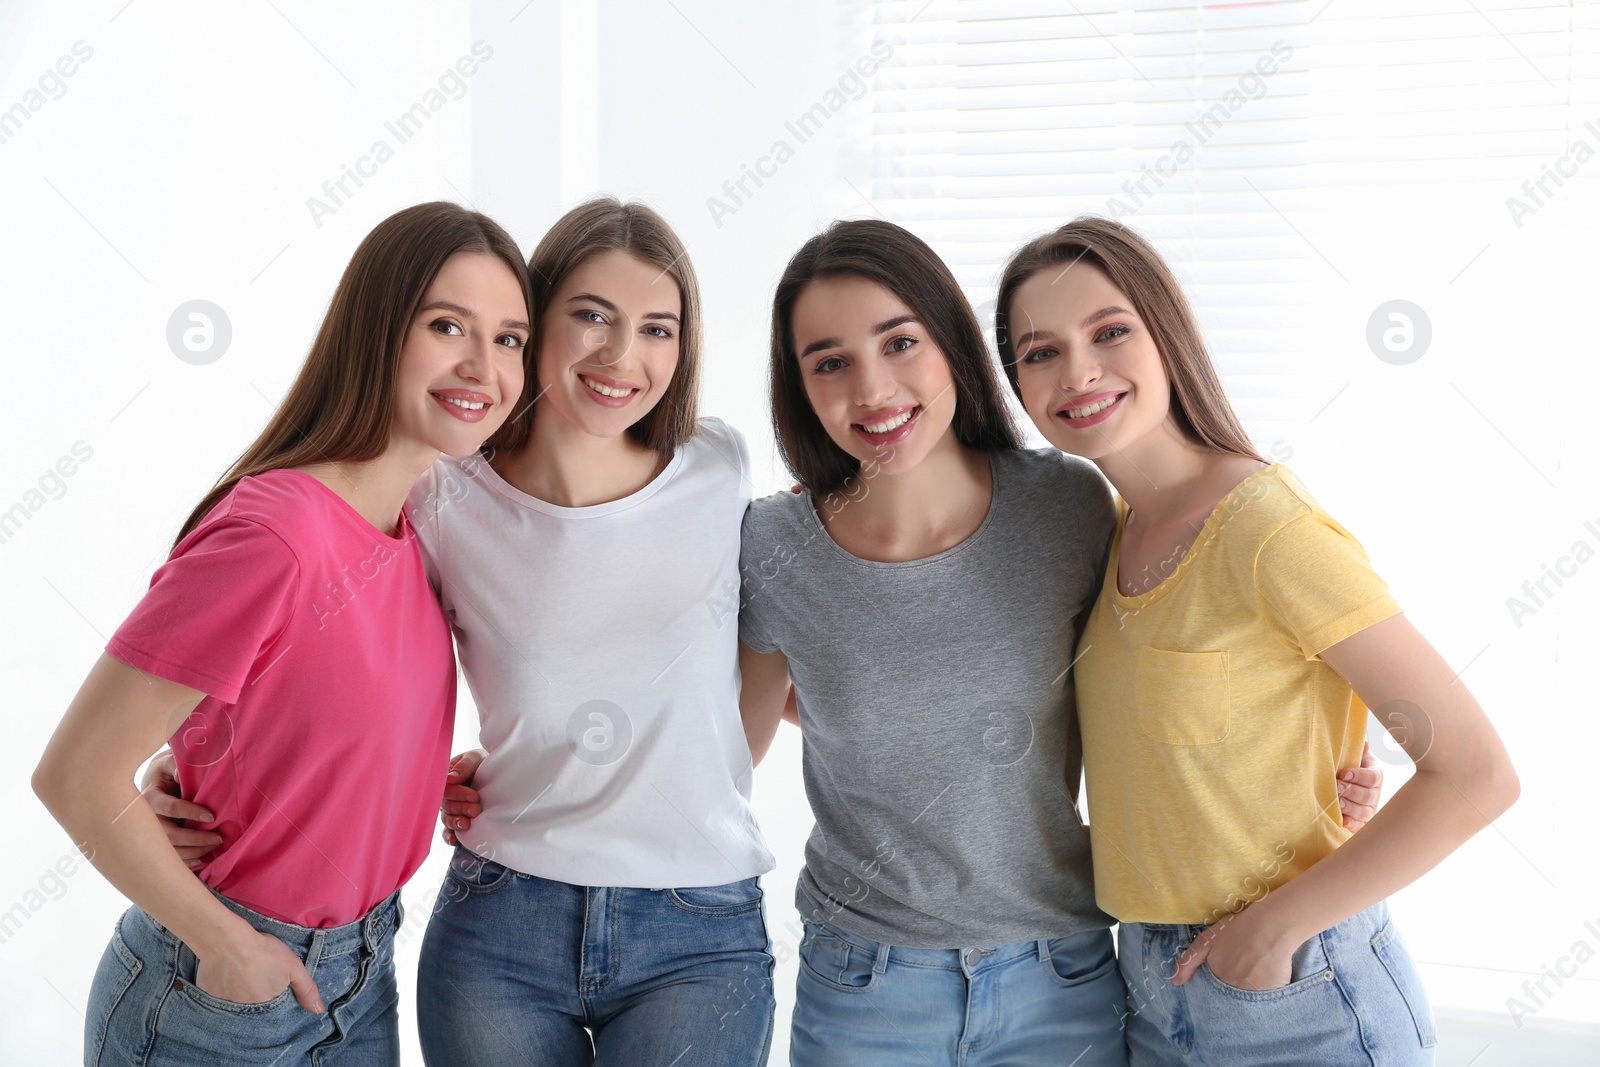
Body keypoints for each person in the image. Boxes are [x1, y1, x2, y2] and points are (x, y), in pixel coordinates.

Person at [731, 219, 1380, 1066]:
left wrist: (1320, 769)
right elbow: (730, 751)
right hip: (862, 982)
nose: (873, 388)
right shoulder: (775, 543)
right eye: (830, 362)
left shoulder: (1067, 506)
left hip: (1061, 975)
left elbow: (1163, 664)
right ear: (801, 387)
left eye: (900, 342)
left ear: (953, 346)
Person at [997, 216, 1519, 1066]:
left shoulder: (1268, 530)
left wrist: (1271, 932)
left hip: (1298, 993)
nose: (1078, 370)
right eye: (1039, 351)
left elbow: (1477, 773)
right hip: (1151, 989)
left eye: (1109, 331)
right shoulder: (1110, 531)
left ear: (1167, 335)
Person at [32, 201, 531, 1066]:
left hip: (363, 977)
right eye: (449, 324)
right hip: (219, 997)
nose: (483, 366)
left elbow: (299, 723)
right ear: (376, 329)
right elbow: (74, 774)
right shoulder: (276, 534)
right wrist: (226, 946)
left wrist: (408, 789)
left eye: (511, 339)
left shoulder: (415, 530)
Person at [407, 198, 776, 1066]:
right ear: (535, 323)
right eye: (592, 316)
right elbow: (362, 668)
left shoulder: (718, 470)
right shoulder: (445, 497)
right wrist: (198, 752)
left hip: (698, 931)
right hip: (500, 923)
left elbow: (758, 667)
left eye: (657, 328)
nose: (623, 356)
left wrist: (699, 764)